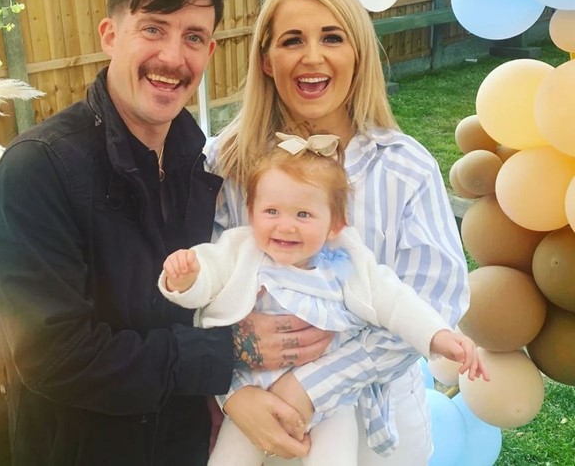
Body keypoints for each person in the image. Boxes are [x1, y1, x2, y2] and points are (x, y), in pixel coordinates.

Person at [0, 0, 331, 466]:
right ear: (110, 35)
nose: (173, 57)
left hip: (184, 445)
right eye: (153, 28)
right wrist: (228, 350)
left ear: (210, 53)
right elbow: (53, 356)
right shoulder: (40, 169)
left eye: (193, 37)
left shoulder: (207, 164)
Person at [208, 0, 471, 464]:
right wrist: (237, 389)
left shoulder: (405, 169)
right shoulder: (230, 161)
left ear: (359, 54)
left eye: (332, 37)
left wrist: (310, 386)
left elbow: (437, 301)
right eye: (292, 40)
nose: (312, 57)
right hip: (257, 419)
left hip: (379, 428)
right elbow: (206, 283)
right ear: (266, 61)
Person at [161, 133, 485, 465]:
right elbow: (210, 274)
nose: (285, 226)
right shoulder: (240, 248)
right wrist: (187, 279)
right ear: (252, 211)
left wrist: (436, 334)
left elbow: (395, 300)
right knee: (227, 460)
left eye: (303, 215)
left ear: (335, 225)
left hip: (327, 403)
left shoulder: (345, 260)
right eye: (271, 211)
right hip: (251, 391)